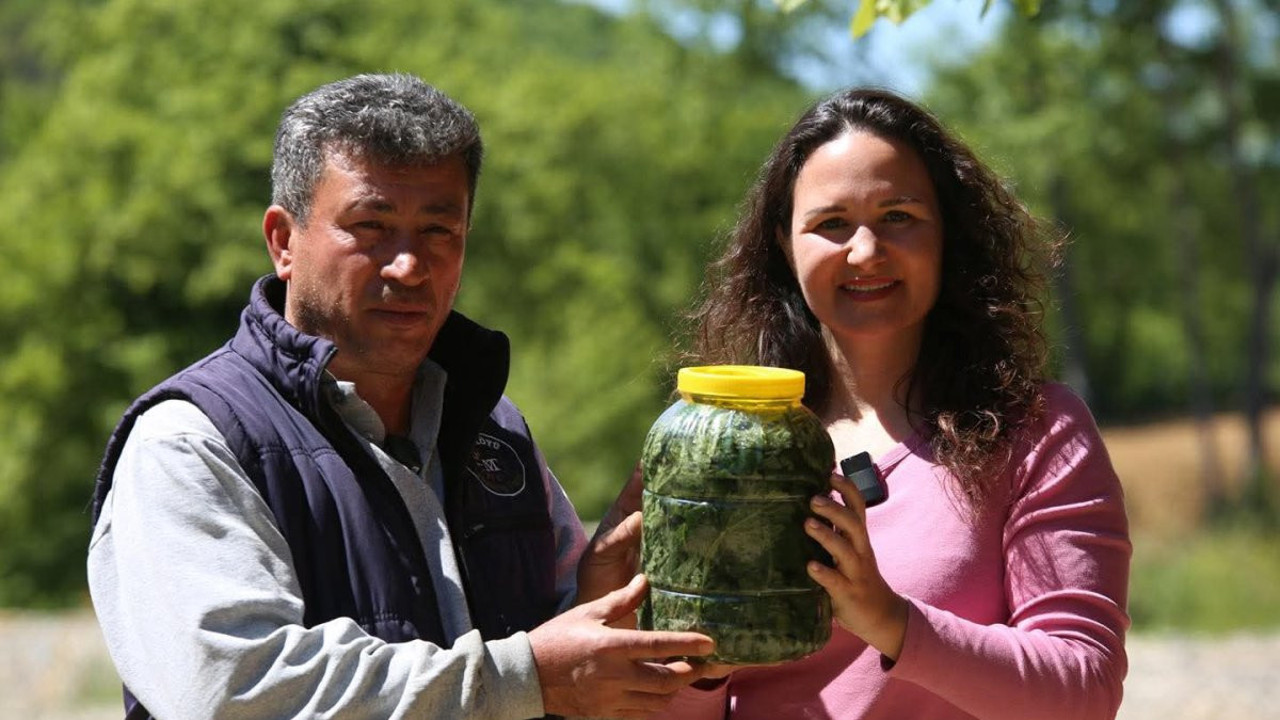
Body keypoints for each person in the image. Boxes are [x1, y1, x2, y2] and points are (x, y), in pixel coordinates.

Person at [86, 72, 715, 720]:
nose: (409, 265)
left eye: (439, 231)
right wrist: (525, 676)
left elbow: (567, 666)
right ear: (282, 241)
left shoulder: (496, 435)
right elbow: (231, 692)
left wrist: (596, 603)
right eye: (371, 225)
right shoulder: (191, 442)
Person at [644, 88, 1131, 718]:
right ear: (786, 246)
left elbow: (1084, 692)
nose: (866, 251)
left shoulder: (1039, 432)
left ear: (947, 234)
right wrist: (702, 673)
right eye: (831, 224)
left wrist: (890, 620)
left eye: (898, 215)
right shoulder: (722, 444)